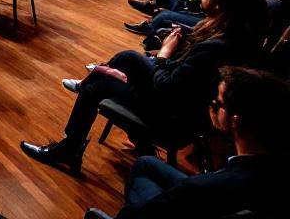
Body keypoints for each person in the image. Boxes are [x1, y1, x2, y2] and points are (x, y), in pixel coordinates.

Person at [21, 0, 267, 174]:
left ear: (219, 3)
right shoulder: (241, 36)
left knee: (106, 78)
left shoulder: (215, 46)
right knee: (118, 67)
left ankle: (69, 147)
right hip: (193, 112)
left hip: (174, 118)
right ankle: (99, 96)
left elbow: (168, 86)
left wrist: (163, 55)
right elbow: (188, 78)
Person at [103, 67, 287, 218]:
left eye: (217, 103)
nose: (211, 106)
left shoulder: (198, 188)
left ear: (235, 121)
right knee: (145, 164)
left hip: (204, 198)